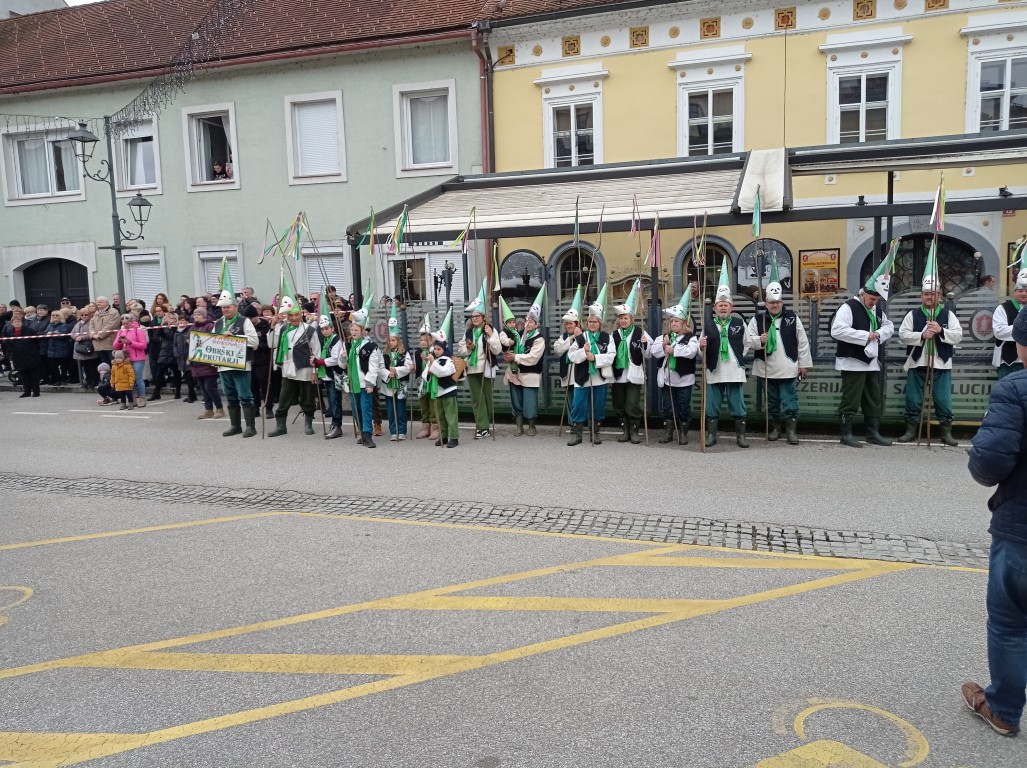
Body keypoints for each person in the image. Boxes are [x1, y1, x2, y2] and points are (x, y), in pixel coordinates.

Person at [963, 307, 1027, 739]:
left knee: (1009, 621)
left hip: (1021, 525)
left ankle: (1003, 709)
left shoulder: (1015, 389)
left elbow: (988, 463)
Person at [830, 254, 895, 448]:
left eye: (876, 300)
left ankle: (872, 432)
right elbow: (837, 330)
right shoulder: (848, 307)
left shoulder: (875, 309)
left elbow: (888, 326)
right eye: (871, 298)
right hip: (852, 360)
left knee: (872, 397)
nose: (873, 302)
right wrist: (866, 336)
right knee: (851, 398)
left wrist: (879, 333)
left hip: (871, 361)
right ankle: (846, 434)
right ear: (863, 293)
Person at [746, 260, 813, 445]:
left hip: (788, 367)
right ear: (766, 303)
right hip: (766, 367)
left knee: (789, 400)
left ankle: (791, 431)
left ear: (782, 302)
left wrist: (804, 364)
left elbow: (803, 342)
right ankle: (775, 428)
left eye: (777, 302)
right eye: (771, 303)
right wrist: (759, 340)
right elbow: (747, 340)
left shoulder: (792, 318)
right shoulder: (757, 320)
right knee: (772, 401)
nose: (775, 305)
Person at [897, 263, 963, 447]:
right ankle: (910, 430)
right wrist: (921, 335)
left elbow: (958, 336)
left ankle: (945, 432)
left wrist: (941, 331)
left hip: (941, 363)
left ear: (939, 296)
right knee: (913, 398)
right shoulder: (913, 314)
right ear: (922, 296)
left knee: (943, 399)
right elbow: (902, 335)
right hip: (917, 361)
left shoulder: (948, 315)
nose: (929, 297)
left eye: (932, 294)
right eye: (926, 294)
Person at [699, 261, 750, 448]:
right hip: (714, 369)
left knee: (738, 404)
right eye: (719, 305)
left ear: (731, 307)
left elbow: (746, 344)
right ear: (714, 308)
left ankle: (741, 437)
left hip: (734, 370)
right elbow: (700, 349)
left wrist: (737, 356)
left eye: (725, 305)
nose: (722, 308)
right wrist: (701, 345)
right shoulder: (708, 324)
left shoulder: (738, 323)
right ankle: (711, 436)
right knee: (712, 405)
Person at [650, 288, 700, 445]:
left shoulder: (691, 338)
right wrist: (664, 345)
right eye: (671, 321)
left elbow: (691, 352)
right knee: (668, 407)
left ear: (684, 323)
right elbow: (654, 352)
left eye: (676, 321)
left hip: (684, 379)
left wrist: (674, 350)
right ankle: (668, 432)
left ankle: (683, 433)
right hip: (667, 379)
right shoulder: (663, 337)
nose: (673, 324)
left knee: (683, 407)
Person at [566, 285, 614, 446]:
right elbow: (571, 355)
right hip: (582, 377)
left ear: (600, 323)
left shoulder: (608, 338)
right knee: (578, 404)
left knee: (598, 406)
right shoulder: (581, 337)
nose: (592, 324)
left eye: (595, 321)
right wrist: (583, 352)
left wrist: (595, 357)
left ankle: (595, 432)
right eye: (589, 321)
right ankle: (577, 434)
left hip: (599, 377)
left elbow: (611, 356)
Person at [213, 283, 259, 438]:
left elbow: (254, 342)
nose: (225, 310)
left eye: (228, 307)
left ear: (235, 307)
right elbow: (213, 342)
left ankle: (250, 427)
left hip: (241, 364)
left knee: (245, 395)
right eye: (223, 307)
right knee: (230, 396)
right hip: (224, 365)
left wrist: (235, 337)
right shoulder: (218, 323)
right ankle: (235, 426)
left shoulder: (244, 321)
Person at [268, 298, 319, 438]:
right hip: (288, 369)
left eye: (296, 315)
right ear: (287, 316)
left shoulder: (309, 330)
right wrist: (273, 326)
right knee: (284, 397)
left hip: (305, 368)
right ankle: (280, 426)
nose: (294, 318)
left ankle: (308, 423)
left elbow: (316, 351)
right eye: (291, 315)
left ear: (301, 315)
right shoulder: (283, 328)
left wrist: (315, 371)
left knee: (307, 397)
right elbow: (271, 344)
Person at [457, 281, 502, 439]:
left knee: (487, 397)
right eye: (473, 317)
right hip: (472, 367)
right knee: (477, 398)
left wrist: (490, 336)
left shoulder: (490, 329)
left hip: (486, 367)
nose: (474, 319)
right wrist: (468, 348)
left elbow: (497, 349)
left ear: (483, 317)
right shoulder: (468, 332)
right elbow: (461, 349)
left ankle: (485, 424)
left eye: (477, 316)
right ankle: (482, 426)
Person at [609, 281, 651, 444]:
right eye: (621, 318)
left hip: (633, 373)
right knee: (619, 404)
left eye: (626, 318)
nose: (623, 320)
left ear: (632, 319)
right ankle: (624, 430)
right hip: (618, 374)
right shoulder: (614, 335)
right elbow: (609, 355)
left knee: (632, 403)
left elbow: (648, 355)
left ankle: (634, 431)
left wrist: (645, 344)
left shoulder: (641, 332)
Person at [502, 286, 547, 437]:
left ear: (537, 324)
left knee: (529, 401)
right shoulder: (519, 335)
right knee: (516, 400)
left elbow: (533, 357)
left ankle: (532, 426)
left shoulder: (539, 339)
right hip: (515, 372)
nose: (528, 323)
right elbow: (510, 346)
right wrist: (508, 355)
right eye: (527, 320)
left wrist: (515, 357)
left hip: (530, 374)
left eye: (531, 321)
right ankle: (519, 426)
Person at [342, 307, 383, 448]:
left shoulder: (370, 347)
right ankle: (361, 431)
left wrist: (370, 383)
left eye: (356, 330)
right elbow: (342, 365)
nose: (353, 332)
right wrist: (342, 358)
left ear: (362, 331)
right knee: (356, 409)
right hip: (353, 382)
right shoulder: (348, 346)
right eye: (352, 330)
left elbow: (373, 366)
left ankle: (367, 435)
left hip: (364, 383)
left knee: (366, 409)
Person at [424, 309, 460, 448]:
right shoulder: (435, 360)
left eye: (439, 349)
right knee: (441, 417)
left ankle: (454, 437)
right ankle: (443, 436)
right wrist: (429, 368)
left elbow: (443, 373)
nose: (436, 351)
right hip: (437, 392)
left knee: (451, 417)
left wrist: (432, 363)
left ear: (444, 349)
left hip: (448, 391)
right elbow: (426, 374)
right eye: (435, 349)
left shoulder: (448, 361)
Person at [379, 305, 413, 441]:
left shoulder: (404, 354)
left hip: (400, 385)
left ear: (398, 341)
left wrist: (397, 370)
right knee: (390, 410)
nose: (391, 342)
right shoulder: (384, 354)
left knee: (400, 409)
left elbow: (409, 366)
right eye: (389, 341)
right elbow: (380, 367)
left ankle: (402, 430)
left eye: (393, 340)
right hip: (388, 385)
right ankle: (393, 430)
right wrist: (387, 373)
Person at [312, 315, 344, 440]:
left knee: (335, 401)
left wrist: (319, 362)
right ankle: (334, 424)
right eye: (322, 329)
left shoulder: (336, 341)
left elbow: (335, 359)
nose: (324, 331)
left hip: (333, 375)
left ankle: (337, 425)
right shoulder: (325, 340)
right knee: (331, 402)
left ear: (332, 328)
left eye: (326, 328)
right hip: (326, 375)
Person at [992, 268, 1027, 380]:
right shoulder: (1003, 308)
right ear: (1015, 291)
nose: (1023, 294)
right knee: (1007, 394)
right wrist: (1021, 328)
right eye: (1020, 291)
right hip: (1008, 362)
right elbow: (999, 331)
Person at [189, 308, 224, 419]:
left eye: (198, 314)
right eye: (195, 314)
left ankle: (219, 408)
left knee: (210, 387)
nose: (196, 316)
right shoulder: (193, 327)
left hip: (207, 362)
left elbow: (213, 341)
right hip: (196, 362)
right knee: (203, 388)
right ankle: (208, 409)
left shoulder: (209, 326)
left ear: (204, 315)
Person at [1, 307, 42, 397]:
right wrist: (11, 356)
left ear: (21, 322)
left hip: (31, 356)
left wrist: (34, 352)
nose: (17, 323)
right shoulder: (10, 333)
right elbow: (8, 346)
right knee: (23, 375)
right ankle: (26, 391)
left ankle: (36, 391)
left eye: (19, 321)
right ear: (12, 323)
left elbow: (37, 342)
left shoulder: (29, 331)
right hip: (18, 357)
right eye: (15, 322)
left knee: (33, 375)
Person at [112, 313, 148, 407]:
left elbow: (143, 345)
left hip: (138, 358)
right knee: (128, 379)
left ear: (132, 322)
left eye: (127, 323)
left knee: (138, 378)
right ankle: (132, 399)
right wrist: (119, 341)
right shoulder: (121, 331)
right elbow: (115, 346)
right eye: (123, 323)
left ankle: (142, 398)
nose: (125, 325)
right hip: (126, 359)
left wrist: (130, 342)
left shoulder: (138, 330)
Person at [413, 318, 440, 441]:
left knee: (433, 404)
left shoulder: (434, 352)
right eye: (421, 340)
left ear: (432, 341)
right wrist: (413, 367)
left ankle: (435, 428)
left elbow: (435, 365)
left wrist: (426, 360)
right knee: (423, 405)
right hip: (421, 382)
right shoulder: (418, 352)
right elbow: (416, 366)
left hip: (432, 381)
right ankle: (425, 427)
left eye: (426, 340)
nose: (423, 342)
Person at [252, 306, 277, 419]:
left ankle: (268, 408)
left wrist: (258, 347)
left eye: (251, 317)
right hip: (250, 361)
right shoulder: (247, 327)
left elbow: (270, 344)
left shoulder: (265, 326)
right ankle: (255, 408)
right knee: (253, 387)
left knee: (266, 386)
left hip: (263, 361)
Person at [45, 308, 75, 385]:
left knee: (63, 366)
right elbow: (45, 334)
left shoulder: (64, 325)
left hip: (62, 349)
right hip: (51, 349)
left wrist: (51, 334)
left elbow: (62, 335)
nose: (55, 317)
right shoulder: (50, 325)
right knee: (54, 367)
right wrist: (54, 333)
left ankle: (63, 380)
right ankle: (57, 380)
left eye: (57, 315)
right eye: (53, 315)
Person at [71, 307, 99, 389]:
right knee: (85, 367)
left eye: (86, 315)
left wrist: (82, 337)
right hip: (80, 348)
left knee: (92, 366)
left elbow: (92, 334)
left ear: (89, 315)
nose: (84, 316)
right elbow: (72, 333)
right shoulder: (77, 324)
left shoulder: (92, 323)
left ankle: (94, 381)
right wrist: (75, 337)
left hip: (88, 347)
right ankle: (88, 380)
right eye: (82, 315)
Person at [89, 296, 121, 366]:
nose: (98, 303)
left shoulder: (114, 312)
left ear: (107, 303)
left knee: (114, 364)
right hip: (99, 344)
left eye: (101, 302)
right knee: (104, 365)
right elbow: (91, 325)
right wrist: (93, 335)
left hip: (110, 344)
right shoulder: (96, 313)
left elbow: (112, 326)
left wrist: (99, 335)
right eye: (97, 302)